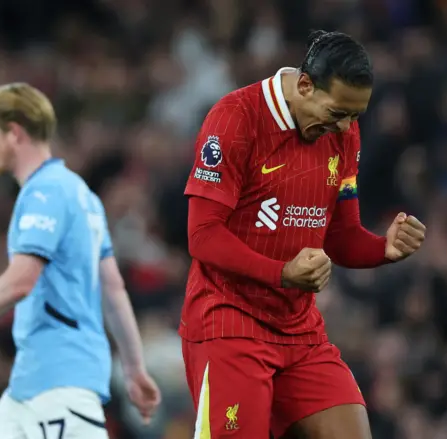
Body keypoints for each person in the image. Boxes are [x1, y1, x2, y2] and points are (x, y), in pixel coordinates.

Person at [180, 30, 426, 439]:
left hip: (300, 331)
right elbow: (202, 235)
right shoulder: (236, 118)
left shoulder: (343, 131)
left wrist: (385, 247)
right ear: (306, 84)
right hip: (228, 323)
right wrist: (282, 273)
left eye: (355, 115)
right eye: (337, 113)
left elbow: (342, 236)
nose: (345, 126)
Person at [0, 83, 161, 439]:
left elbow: (21, 280)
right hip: (28, 388)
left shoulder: (45, 192)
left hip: (58, 386)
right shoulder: (82, 195)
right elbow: (113, 290)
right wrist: (134, 370)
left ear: (15, 133)